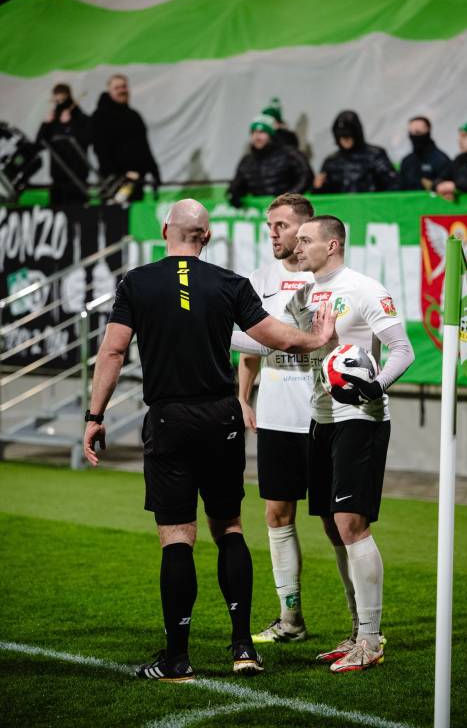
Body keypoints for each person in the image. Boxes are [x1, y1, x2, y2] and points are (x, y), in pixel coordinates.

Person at [83, 199, 337, 683]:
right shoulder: (229, 283)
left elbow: (112, 351)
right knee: (230, 528)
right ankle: (243, 647)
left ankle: (177, 658)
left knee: (177, 535)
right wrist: (317, 337)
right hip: (221, 418)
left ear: (165, 231)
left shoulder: (137, 282)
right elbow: (276, 337)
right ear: (207, 236)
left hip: (169, 420)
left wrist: (95, 415)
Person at [237, 215, 414, 672]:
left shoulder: (364, 289)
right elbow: (264, 341)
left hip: (360, 416)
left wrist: (375, 385)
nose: (296, 247)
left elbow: (403, 349)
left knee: (351, 523)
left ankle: (370, 640)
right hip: (321, 417)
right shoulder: (304, 294)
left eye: (305, 240)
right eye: (295, 240)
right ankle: (356, 631)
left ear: (332, 245)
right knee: (335, 527)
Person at [231, 193, 315, 643]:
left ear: (306, 227)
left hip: (325, 415)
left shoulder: (329, 277)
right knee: (277, 515)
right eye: (269, 226)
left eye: (281, 225)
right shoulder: (258, 280)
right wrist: (243, 397)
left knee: (339, 523)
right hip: (277, 417)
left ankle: (362, 628)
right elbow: (248, 347)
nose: (273, 234)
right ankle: (291, 619)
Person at [92, 74, 161, 201]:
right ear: (109, 91)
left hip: (136, 180)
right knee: (114, 211)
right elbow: (101, 150)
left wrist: (154, 171)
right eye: (117, 88)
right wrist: (119, 176)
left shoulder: (134, 116)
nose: (122, 90)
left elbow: (144, 146)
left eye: (124, 86)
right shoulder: (100, 116)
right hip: (113, 183)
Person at [227, 114, 313, 208]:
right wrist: (234, 192)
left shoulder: (289, 153)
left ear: (270, 135)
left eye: (262, 132)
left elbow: (306, 175)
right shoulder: (247, 161)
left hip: (289, 209)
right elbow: (238, 183)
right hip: (260, 211)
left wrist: (286, 199)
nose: (257, 137)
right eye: (253, 133)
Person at [313, 111, 399, 194]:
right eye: (341, 136)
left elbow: (393, 184)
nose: (345, 140)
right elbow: (323, 195)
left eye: (348, 135)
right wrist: (318, 188)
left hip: (370, 203)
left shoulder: (375, 155)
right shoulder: (331, 162)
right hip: (341, 204)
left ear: (356, 134)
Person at [36, 83, 91, 207]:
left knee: (78, 213)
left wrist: (69, 125)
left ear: (69, 98)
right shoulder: (52, 122)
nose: (59, 104)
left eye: (62, 100)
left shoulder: (82, 119)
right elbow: (39, 145)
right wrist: (45, 124)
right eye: (56, 101)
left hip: (78, 179)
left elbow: (86, 140)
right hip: (58, 179)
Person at [399, 116, 450, 190]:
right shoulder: (407, 161)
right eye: (411, 133)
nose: (414, 136)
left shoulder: (441, 160)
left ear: (428, 130)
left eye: (418, 132)